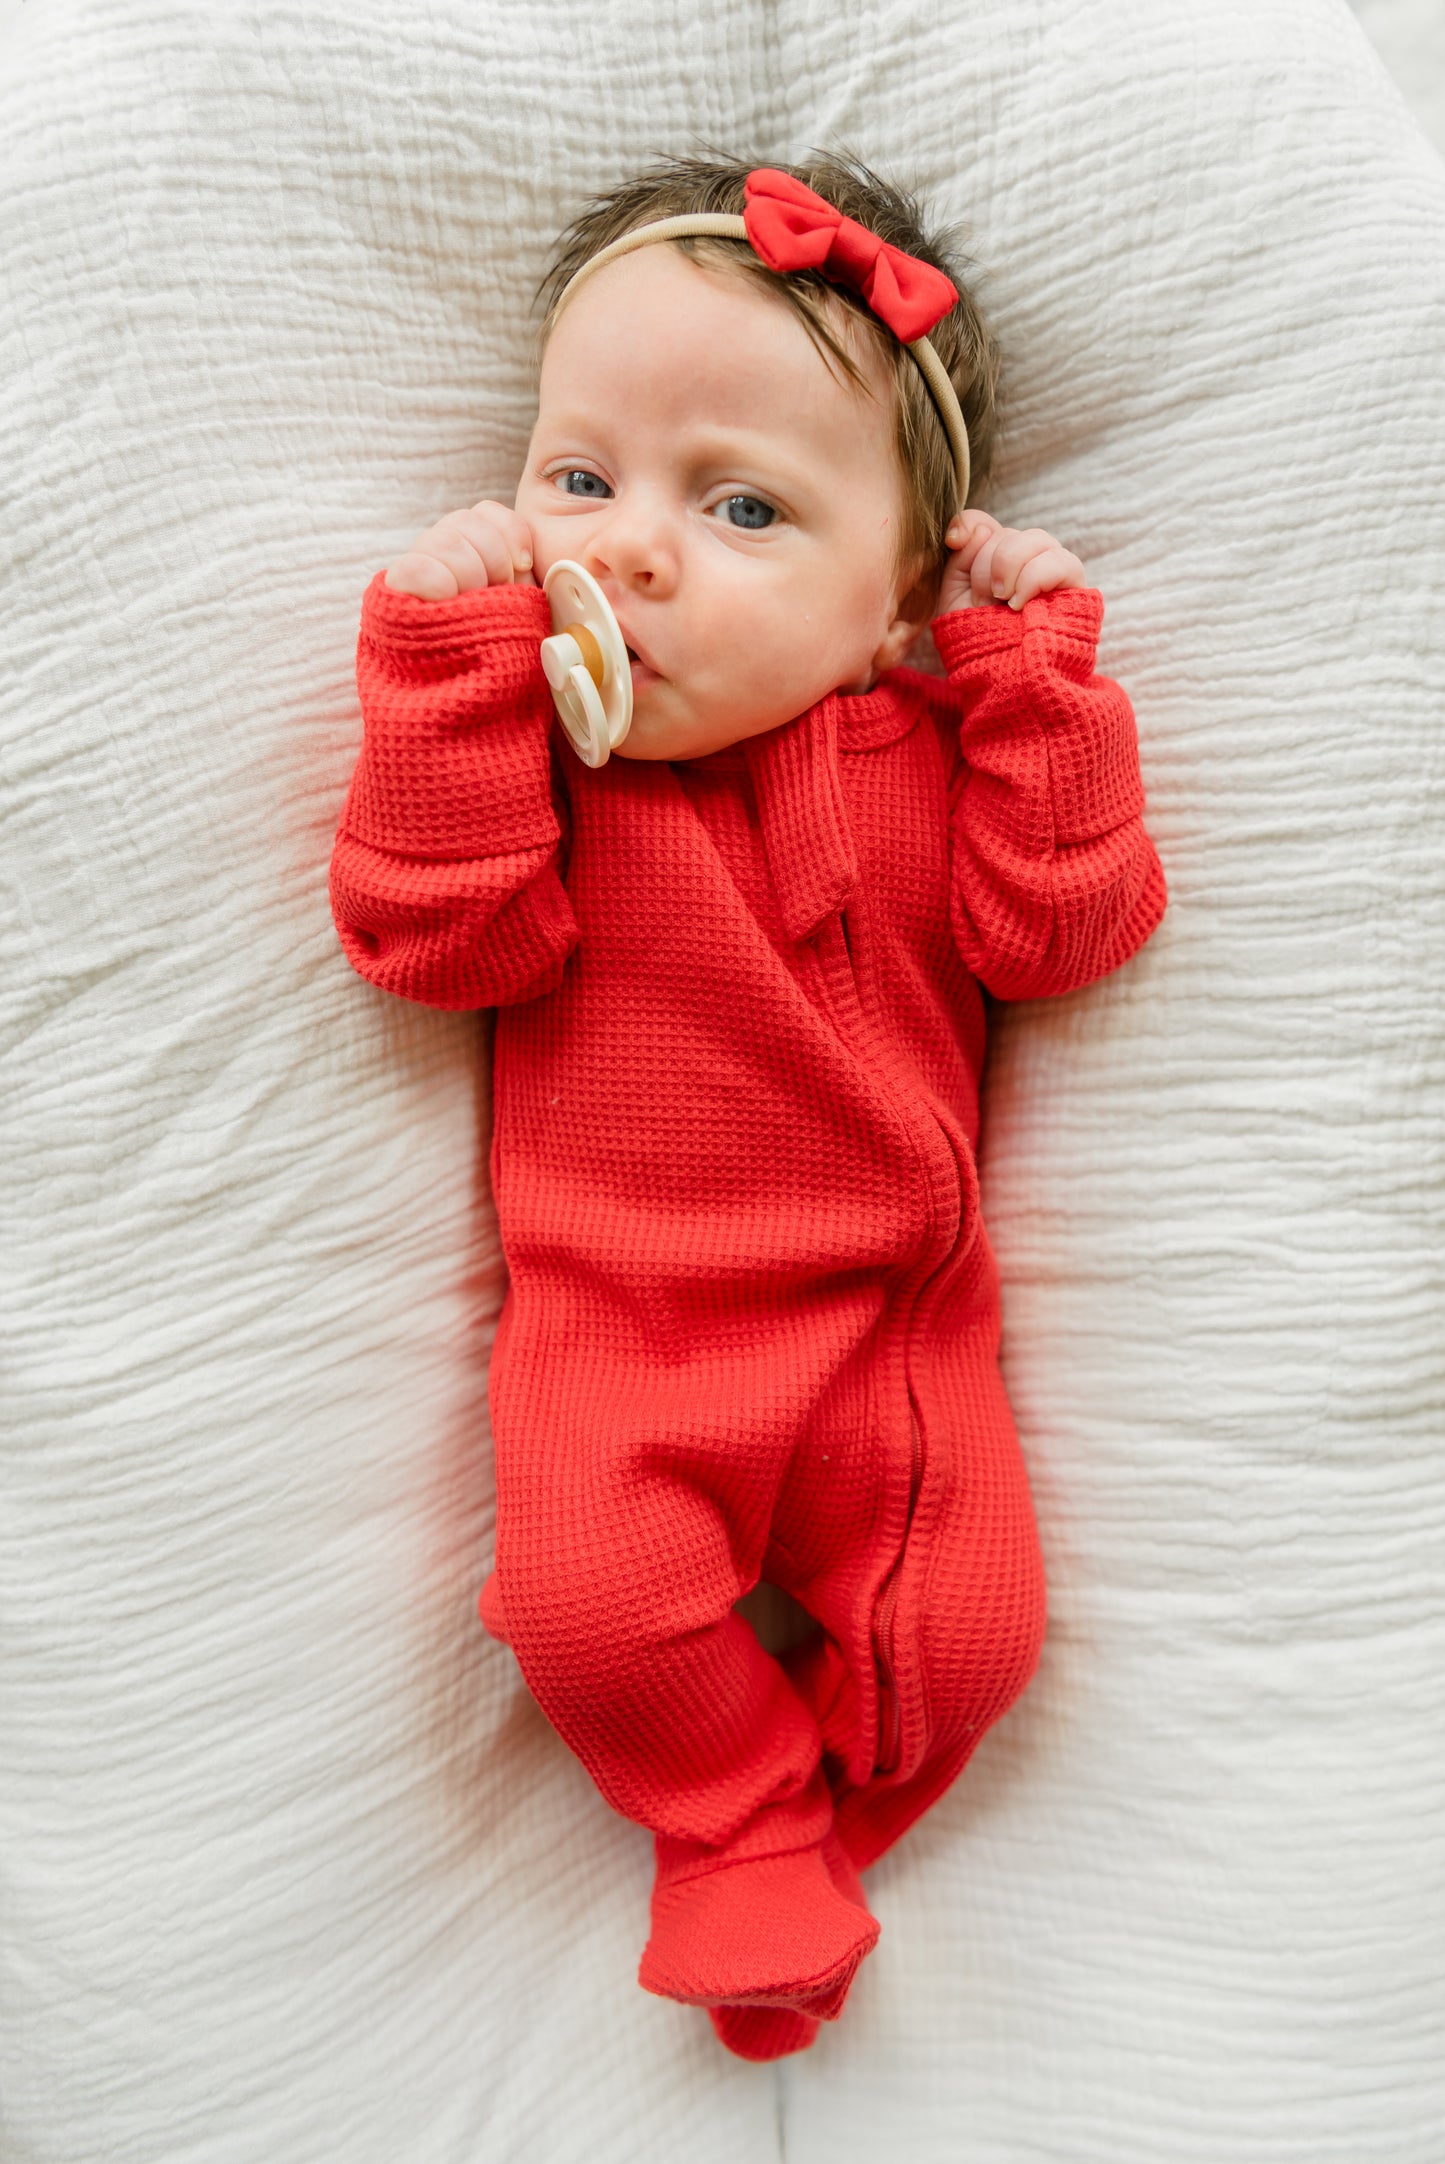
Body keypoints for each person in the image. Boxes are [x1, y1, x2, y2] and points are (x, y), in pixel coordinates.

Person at [329, 155, 1166, 2061]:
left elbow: (1062, 933)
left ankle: (837, 1827)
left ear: (891, 605)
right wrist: (444, 681)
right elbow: (434, 944)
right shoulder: (543, 763)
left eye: (742, 507)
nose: (628, 551)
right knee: (582, 1613)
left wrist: (1034, 687)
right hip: (618, 1345)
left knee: (972, 1637)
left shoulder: (930, 743)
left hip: (889, 1340)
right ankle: (732, 1829)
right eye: (579, 478)